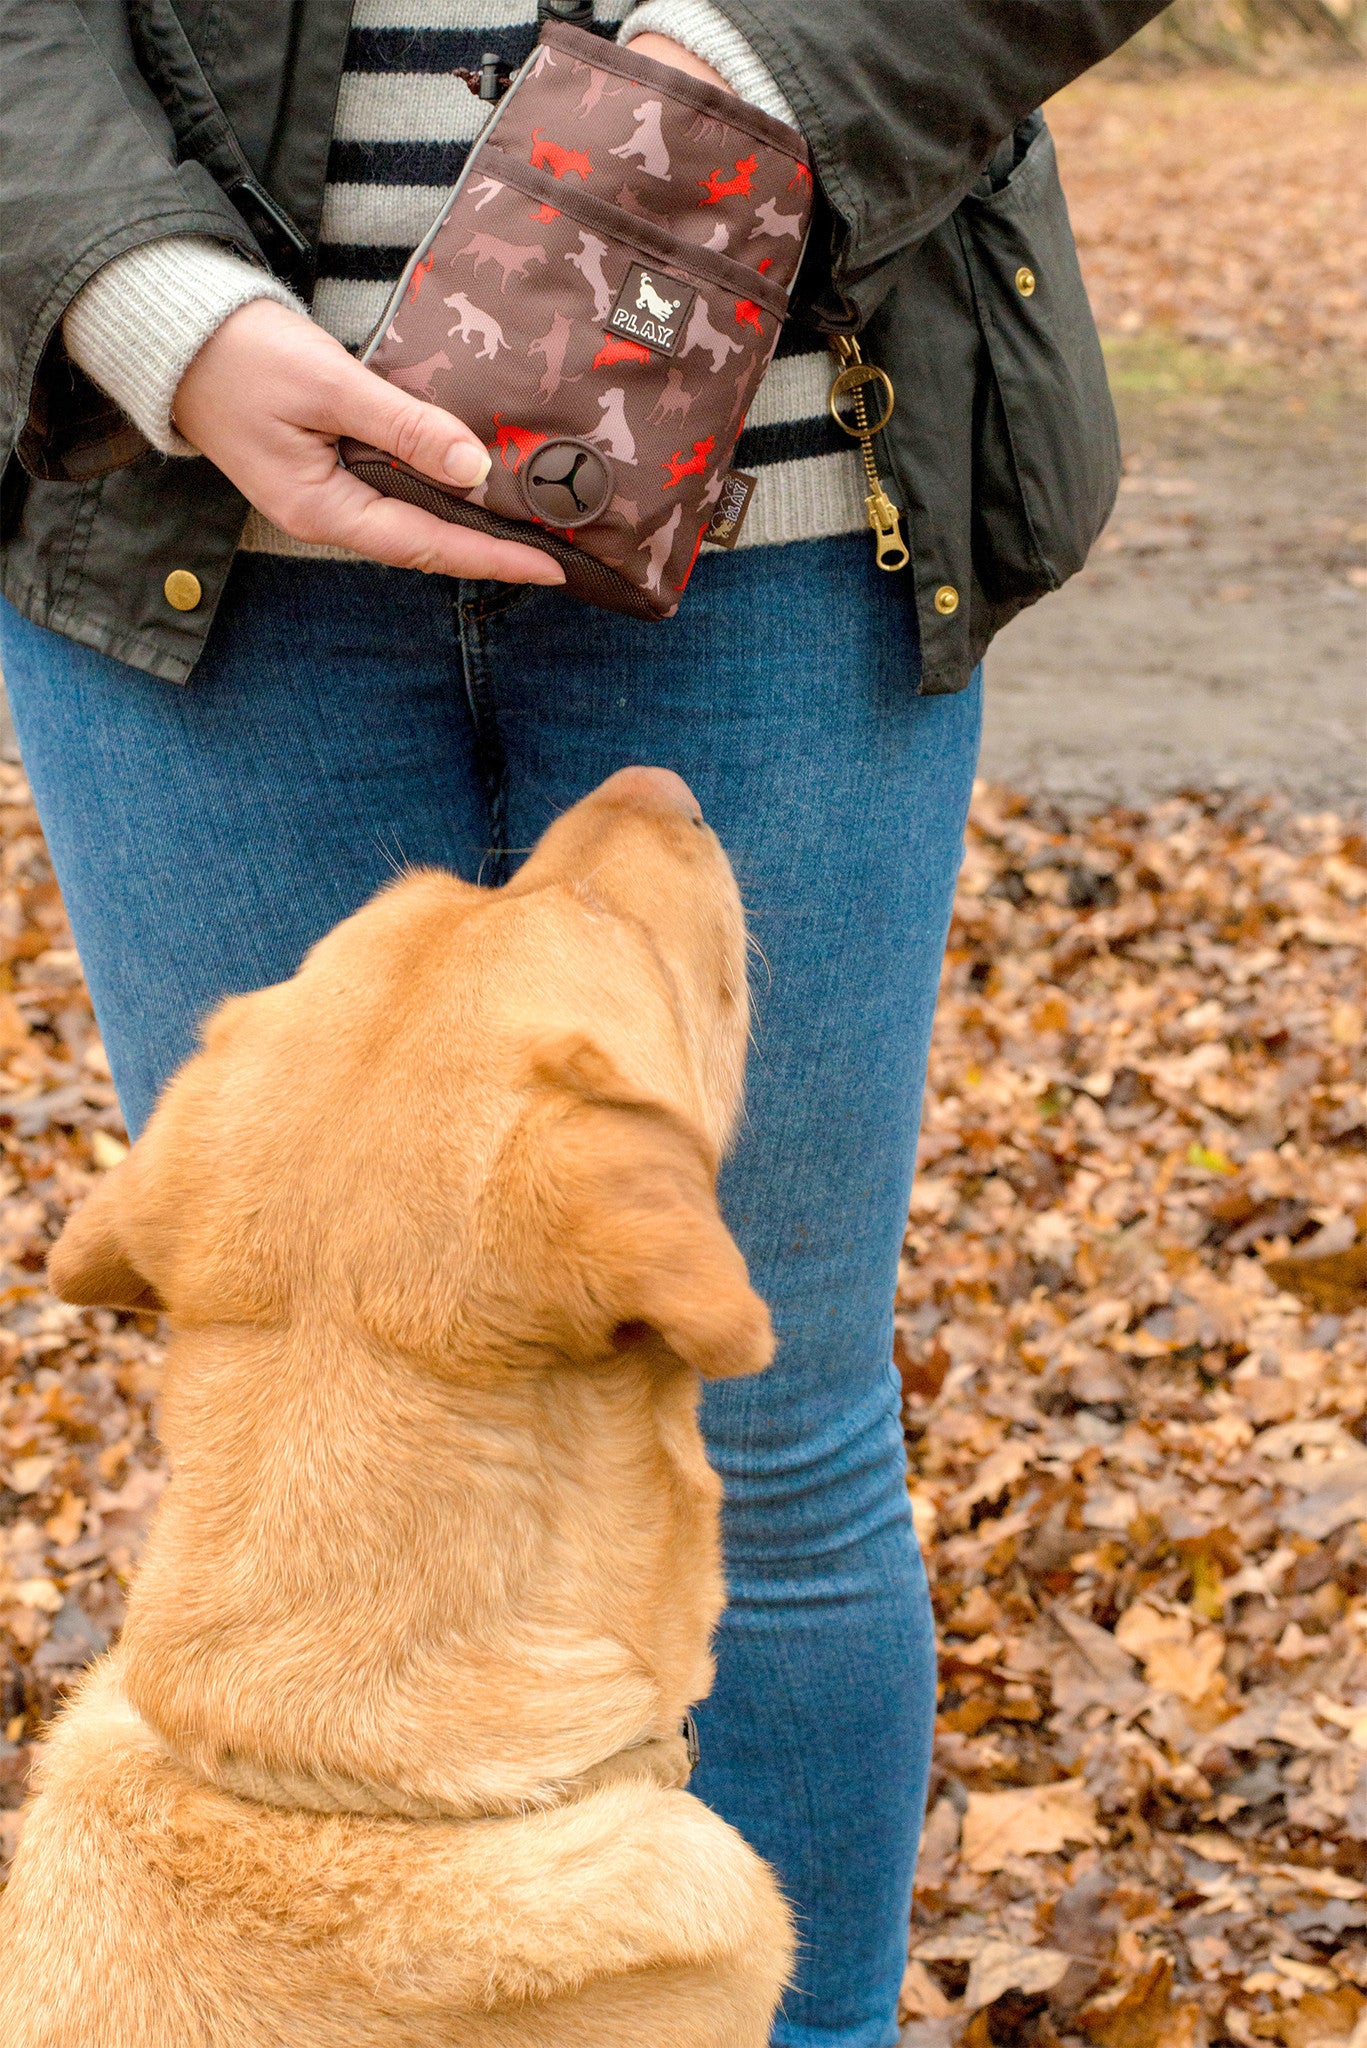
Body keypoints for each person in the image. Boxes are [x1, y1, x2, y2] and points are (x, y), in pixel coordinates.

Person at [0, 3, 1167, 2041]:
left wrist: (758, 63)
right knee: (297, 1426)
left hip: (787, 511)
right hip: (184, 502)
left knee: (772, 1447)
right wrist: (141, 298)